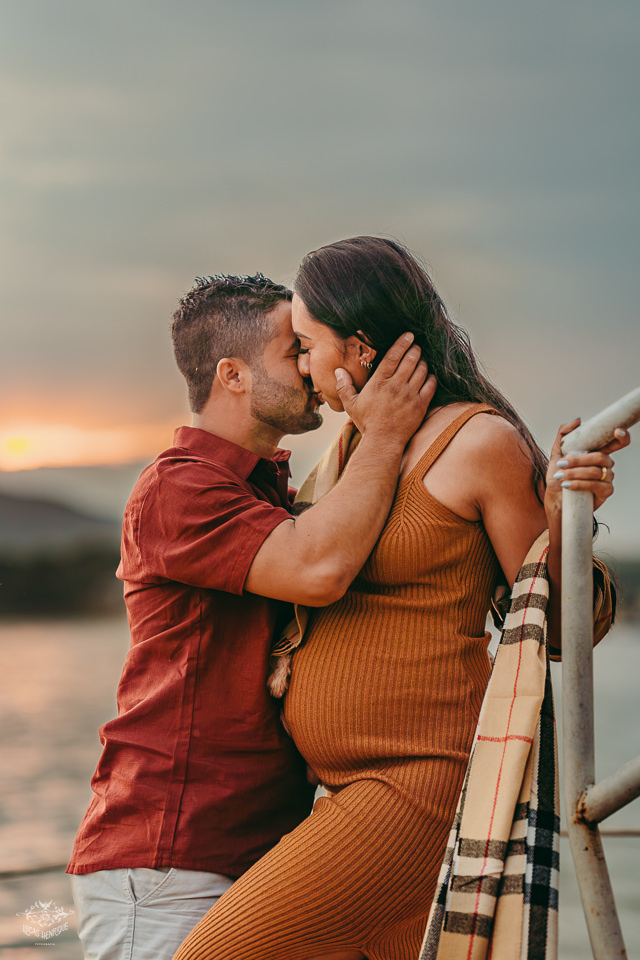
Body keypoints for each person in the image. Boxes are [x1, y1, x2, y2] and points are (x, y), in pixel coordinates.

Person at [174, 238, 630, 960]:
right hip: (345, 788)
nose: (301, 366)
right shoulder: (355, 449)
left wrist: (563, 518)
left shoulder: (478, 443)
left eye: (307, 345)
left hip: (410, 786)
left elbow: (564, 626)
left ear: (358, 348)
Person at [67, 271, 435, 960]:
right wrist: (384, 434)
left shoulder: (269, 489)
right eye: (291, 348)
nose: (307, 363)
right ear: (232, 376)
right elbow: (318, 570)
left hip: (259, 856)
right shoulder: (177, 485)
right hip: (172, 862)